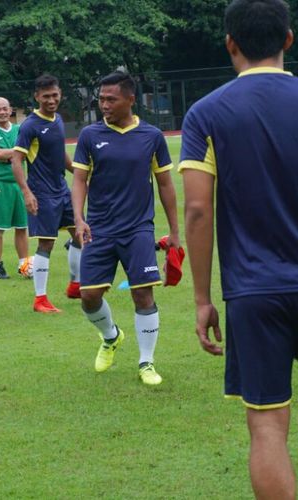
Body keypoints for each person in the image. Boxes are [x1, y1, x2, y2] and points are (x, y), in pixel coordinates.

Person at [180, 1, 298, 498]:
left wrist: (203, 299)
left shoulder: (205, 114)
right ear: (289, 39)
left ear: (230, 43)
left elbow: (199, 212)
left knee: (267, 426)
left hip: (252, 293)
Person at [71, 72, 179, 385]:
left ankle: (147, 362)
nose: (104, 104)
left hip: (138, 229)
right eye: (101, 99)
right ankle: (111, 336)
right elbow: (79, 180)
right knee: (89, 295)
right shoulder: (90, 136)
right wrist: (79, 218)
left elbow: (165, 184)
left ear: (130, 99)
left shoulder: (151, 136)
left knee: (142, 294)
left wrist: (174, 231)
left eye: (111, 99)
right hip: (100, 229)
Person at [11, 74, 81, 313]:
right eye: (46, 96)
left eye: (55, 95)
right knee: (46, 245)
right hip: (42, 192)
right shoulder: (30, 125)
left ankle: (75, 285)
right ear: (37, 97)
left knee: (80, 234)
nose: (51, 100)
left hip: (62, 188)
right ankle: (40, 299)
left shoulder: (58, 120)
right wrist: (27, 192)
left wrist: (79, 173)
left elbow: (60, 154)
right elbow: (16, 160)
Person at [0, 97, 31, 280]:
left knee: (22, 227)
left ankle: (24, 265)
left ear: (10, 110)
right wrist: (19, 152)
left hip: (20, 184)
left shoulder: (20, 130)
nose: (2, 112)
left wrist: (11, 154)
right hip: (0, 185)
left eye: (4, 109)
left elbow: (27, 152)